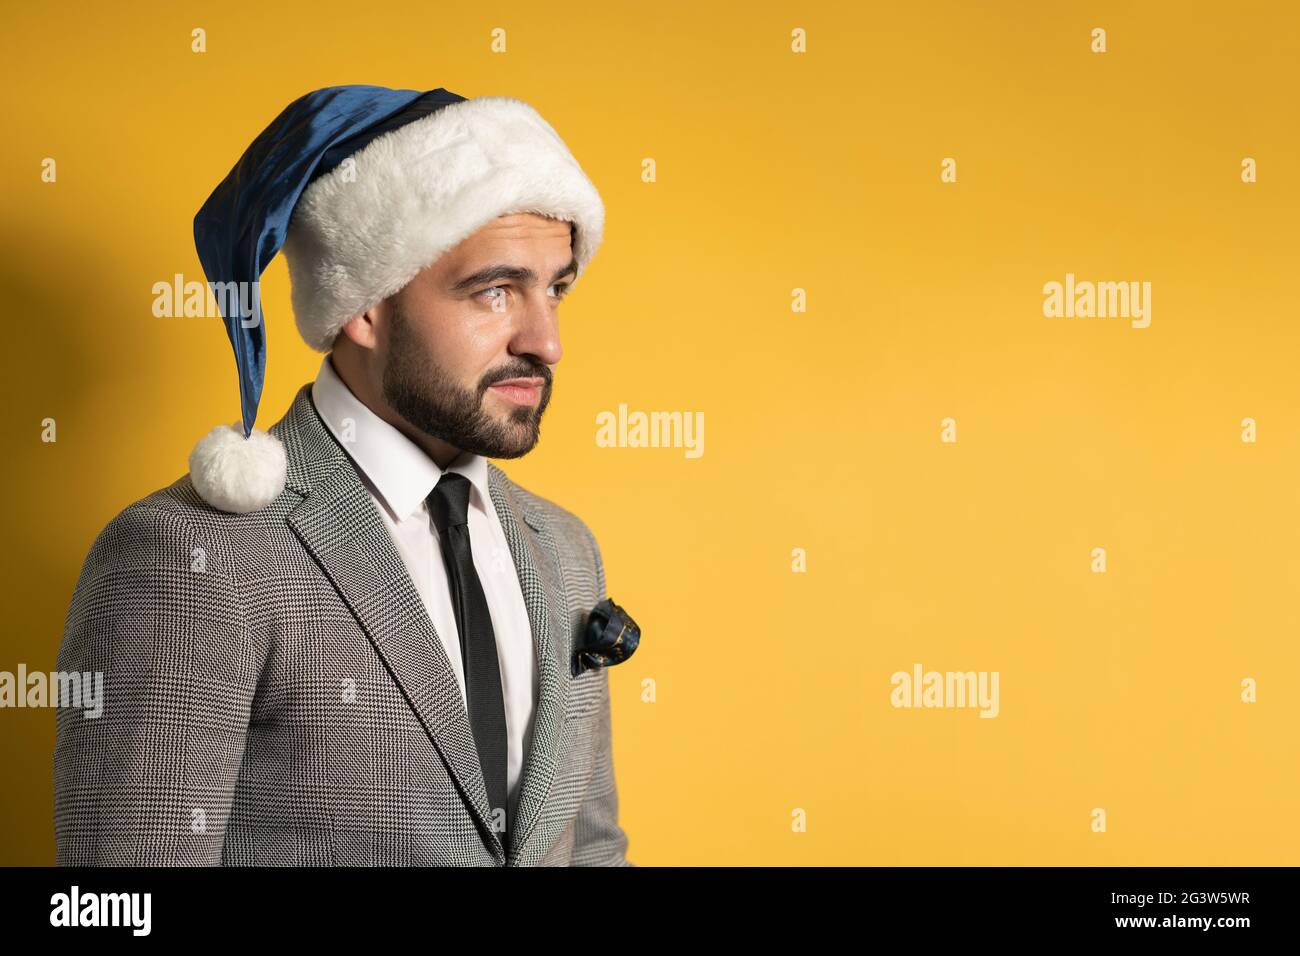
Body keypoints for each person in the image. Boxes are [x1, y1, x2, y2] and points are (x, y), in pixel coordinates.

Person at [53, 85, 633, 866]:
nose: (547, 341)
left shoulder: (564, 550)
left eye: (555, 287)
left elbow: (591, 847)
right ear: (364, 305)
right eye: (495, 290)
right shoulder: (189, 559)